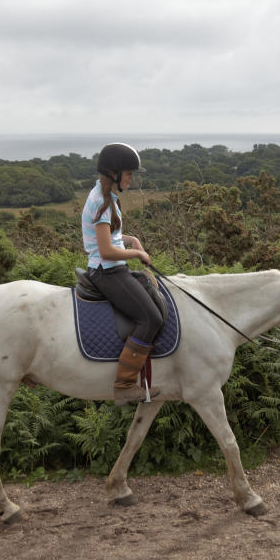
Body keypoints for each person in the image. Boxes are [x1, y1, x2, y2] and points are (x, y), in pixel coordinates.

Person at [82, 143, 163, 404]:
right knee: (150, 319)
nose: (131, 178)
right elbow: (106, 251)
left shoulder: (104, 198)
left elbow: (111, 237)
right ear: (114, 173)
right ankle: (124, 386)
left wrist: (131, 239)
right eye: (128, 173)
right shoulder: (103, 204)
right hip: (107, 271)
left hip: (111, 268)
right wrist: (138, 254)